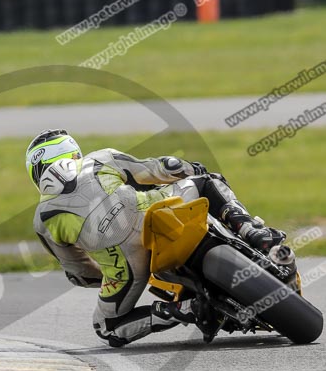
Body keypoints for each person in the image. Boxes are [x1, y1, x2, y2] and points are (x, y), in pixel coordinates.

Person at [26, 128, 289, 348]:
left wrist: (109, 275)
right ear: (72, 152)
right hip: (155, 213)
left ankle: (185, 309)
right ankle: (252, 231)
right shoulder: (99, 159)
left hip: (128, 266)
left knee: (107, 327)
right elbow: (162, 167)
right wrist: (190, 169)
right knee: (206, 181)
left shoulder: (43, 219)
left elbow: (79, 272)